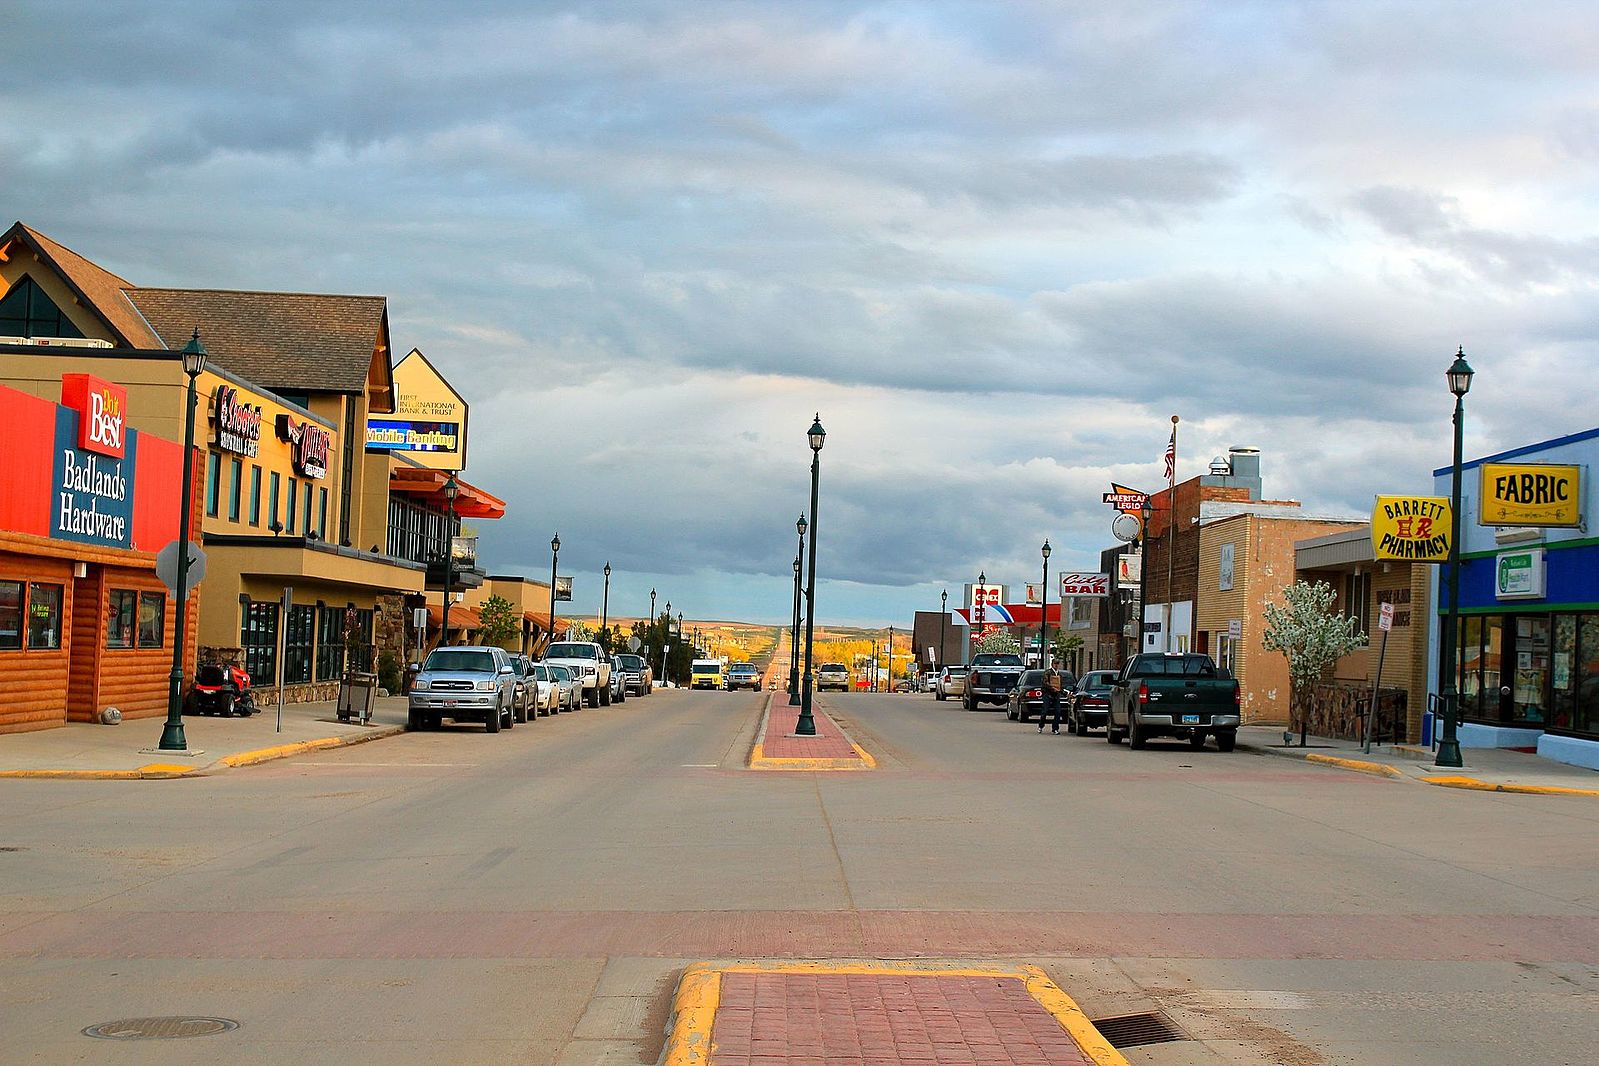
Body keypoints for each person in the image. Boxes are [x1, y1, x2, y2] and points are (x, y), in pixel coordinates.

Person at [1039, 658, 1065, 734]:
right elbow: (1045, 682)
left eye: (1057, 664)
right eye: (1055, 664)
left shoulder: (1059, 674)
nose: (1056, 665)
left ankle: (1055, 728)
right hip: (1048, 694)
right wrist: (1052, 687)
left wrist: (1064, 692)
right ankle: (1041, 726)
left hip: (1056, 695)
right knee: (1045, 711)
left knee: (1058, 712)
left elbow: (1060, 686)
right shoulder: (1048, 673)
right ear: (1052, 664)